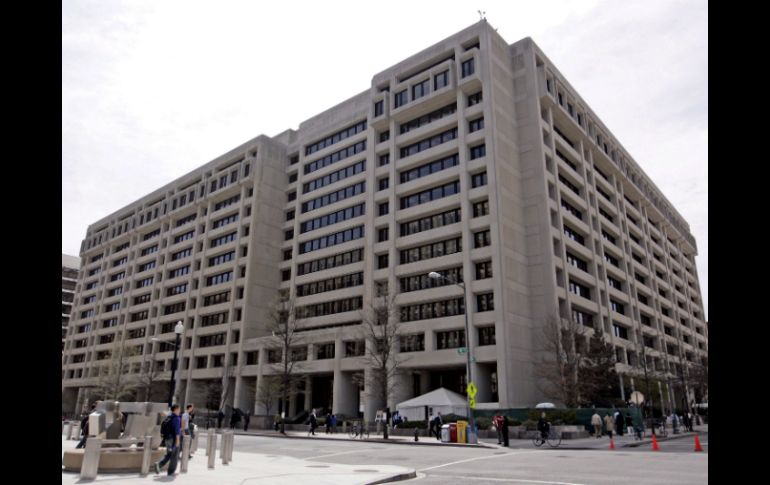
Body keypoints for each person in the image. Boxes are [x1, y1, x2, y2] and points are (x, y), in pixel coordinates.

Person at [154, 405, 182, 476]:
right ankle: (171, 471)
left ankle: (159, 464)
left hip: (167, 439)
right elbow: (177, 431)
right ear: (176, 409)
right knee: (174, 455)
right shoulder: (176, 418)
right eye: (179, 409)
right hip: (173, 440)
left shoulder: (169, 417)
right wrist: (178, 440)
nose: (179, 411)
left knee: (169, 454)